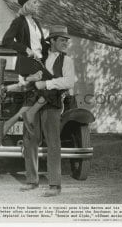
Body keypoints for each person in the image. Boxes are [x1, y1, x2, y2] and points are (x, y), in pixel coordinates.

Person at [20, 25, 75, 197]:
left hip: (52, 105)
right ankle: (31, 181)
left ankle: (55, 185)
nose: (65, 43)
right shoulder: (40, 58)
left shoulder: (67, 61)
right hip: (34, 103)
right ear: (52, 41)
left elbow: (68, 82)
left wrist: (47, 84)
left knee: (53, 143)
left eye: (67, 40)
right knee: (30, 140)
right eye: (62, 40)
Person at [2, 0, 64, 135]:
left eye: (37, 2)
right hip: (27, 63)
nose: (38, 5)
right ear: (27, 4)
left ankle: (12, 121)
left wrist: (55, 48)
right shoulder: (18, 22)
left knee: (54, 87)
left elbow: (42, 43)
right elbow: (6, 41)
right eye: (35, 2)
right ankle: (28, 114)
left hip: (39, 63)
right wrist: (25, 49)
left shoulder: (35, 22)